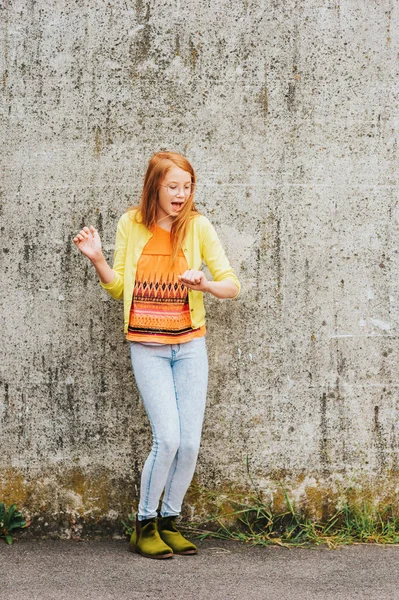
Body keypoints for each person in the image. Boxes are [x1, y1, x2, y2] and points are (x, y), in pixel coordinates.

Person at [73, 151, 240, 559]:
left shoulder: (198, 226)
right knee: (166, 439)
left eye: (187, 186)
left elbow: (231, 285)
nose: (181, 194)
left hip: (189, 346)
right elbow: (119, 289)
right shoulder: (131, 223)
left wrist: (204, 285)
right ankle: (143, 525)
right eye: (173, 187)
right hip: (147, 345)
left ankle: (169, 522)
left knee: (190, 444)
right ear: (155, 186)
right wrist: (98, 259)